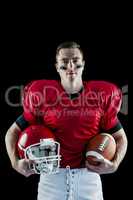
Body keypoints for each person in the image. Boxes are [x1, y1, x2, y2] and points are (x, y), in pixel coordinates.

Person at [5, 41, 128, 200]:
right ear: (57, 66)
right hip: (51, 180)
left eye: (75, 60)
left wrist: (115, 164)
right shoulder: (42, 94)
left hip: (89, 179)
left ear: (83, 64)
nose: (71, 65)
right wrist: (15, 163)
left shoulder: (101, 95)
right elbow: (12, 132)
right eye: (64, 61)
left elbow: (120, 138)